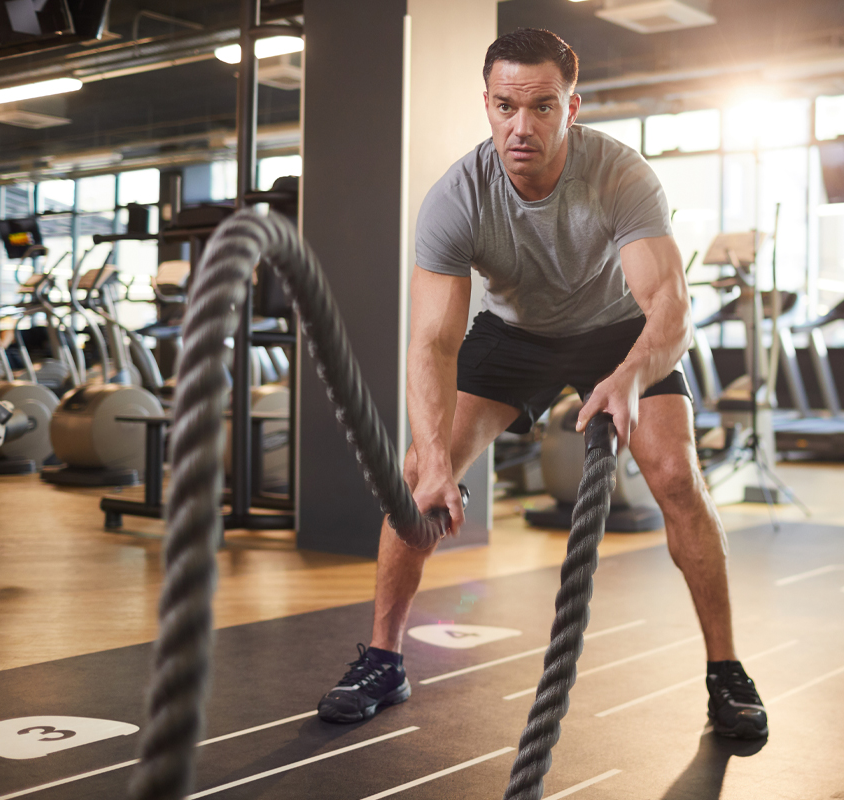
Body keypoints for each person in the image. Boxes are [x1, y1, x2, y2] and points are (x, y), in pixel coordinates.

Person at [317, 28, 768, 741]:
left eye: (542, 108)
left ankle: (726, 671)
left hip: (619, 330)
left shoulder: (620, 174)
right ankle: (383, 659)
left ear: (571, 108)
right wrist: (434, 455)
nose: (520, 126)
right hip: (514, 335)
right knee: (414, 475)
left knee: (677, 475)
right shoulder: (457, 197)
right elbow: (433, 340)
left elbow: (671, 308)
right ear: (488, 105)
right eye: (505, 106)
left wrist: (627, 378)